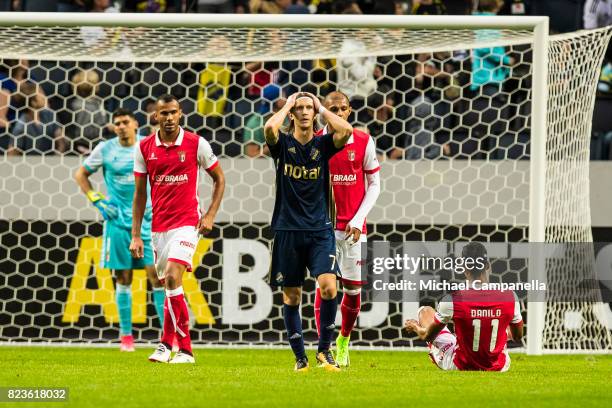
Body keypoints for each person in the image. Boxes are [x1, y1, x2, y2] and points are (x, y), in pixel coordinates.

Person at [130, 94, 225, 364]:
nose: (169, 118)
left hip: (187, 223)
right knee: (170, 286)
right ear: (155, 116)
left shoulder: (196, 143)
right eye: (164, 114)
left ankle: (186, 351)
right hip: (158, 228)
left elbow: (220, 179)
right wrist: (136, 235)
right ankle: (163, 345)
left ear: (180, 113)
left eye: (173, 113)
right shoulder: (144, 147)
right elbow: (139, 195)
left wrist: (209, 214)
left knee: (172, 277)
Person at [264, 91, 353, 372]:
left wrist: (321, 108)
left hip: (319, 230)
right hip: (288, 229)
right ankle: (300, 358)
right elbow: (269, 128)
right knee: (292, 296)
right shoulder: (283, 144)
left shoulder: (324, 144)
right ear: (291, 114)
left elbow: (347, 129)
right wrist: (288, 103)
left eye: (307, 108)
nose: (304, 112)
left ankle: (324, 351)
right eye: (299, 109)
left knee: (329, 288)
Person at [74, 108, 165, 352]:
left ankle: (167, 337)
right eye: (117, 123)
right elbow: (81, 174)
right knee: (123, 277)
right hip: (116, 222)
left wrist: (156, 204)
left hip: (146, 221)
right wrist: (97, 199)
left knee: (156, 277)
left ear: (136, 123)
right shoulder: (105, 148)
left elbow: (163, 174)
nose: (121, 126)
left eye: (125, 122)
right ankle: (126, 337)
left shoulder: (148, 145)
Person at [313, 91, 380, 367]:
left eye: (342, 109)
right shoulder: (316, 143)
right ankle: (324, 348)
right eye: (332, 109)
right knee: (325, 287)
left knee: (353, 292)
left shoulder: (364, 141)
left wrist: (358, 218)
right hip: (324, 229)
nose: (338, 113)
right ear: (323, 113)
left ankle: (343, 340)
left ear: (349, 111)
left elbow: (375, 184)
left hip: (354, 229)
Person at [404, 242, 524, 371]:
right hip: (499, 366)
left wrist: (415, 327)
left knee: (425, 311)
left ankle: (444, 352)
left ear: (464, 269)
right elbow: (517, 336)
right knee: (499, 333)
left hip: (461, 365)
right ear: (488, 266)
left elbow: (427, 335)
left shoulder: (452, 300)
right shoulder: (510, 297)